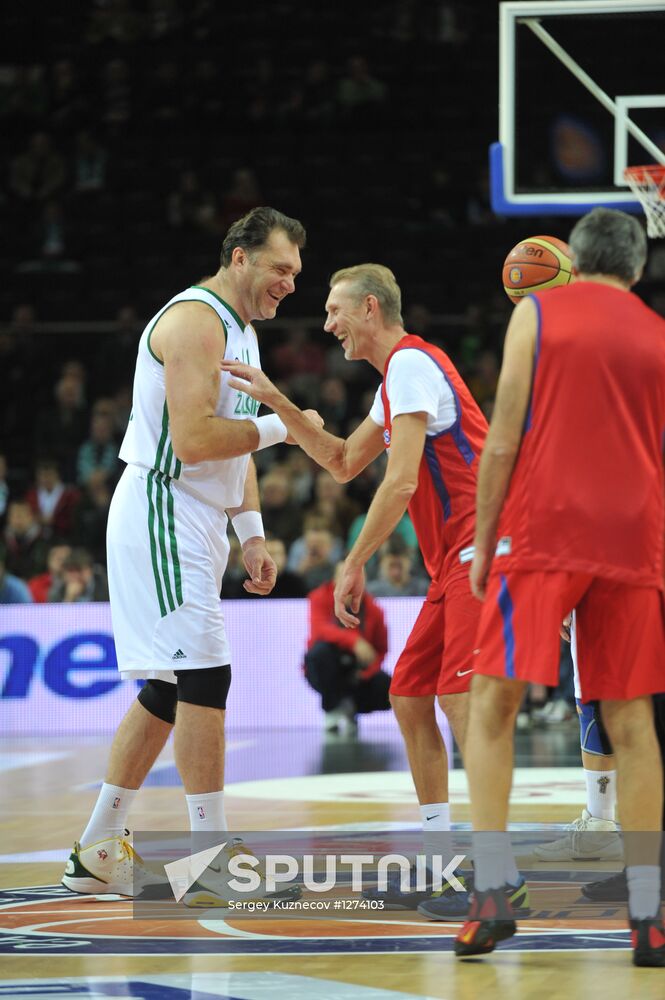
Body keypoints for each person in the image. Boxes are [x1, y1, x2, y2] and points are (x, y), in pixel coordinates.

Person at [222, 263, 508, 917]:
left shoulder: (410, 364)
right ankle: (440, 859)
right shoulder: (395, 381)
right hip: (449, 565)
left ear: (371, 309)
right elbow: (343, 461)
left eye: (334, 311)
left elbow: (400, 481)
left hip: (480, 549)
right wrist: (276, 399)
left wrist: (352, 560)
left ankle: (498, 866)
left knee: (459, 701)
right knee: (409, 697)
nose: (327, 326)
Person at [61, 206, 318, 906]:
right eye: (279, 268)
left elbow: (231, 446)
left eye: (295, 272)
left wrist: (253, 532)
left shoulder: (240, 333)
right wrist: (285, 424)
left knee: (171, 688)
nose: (289, 284)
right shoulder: (195, 321)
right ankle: (210, 857)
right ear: (239, 256)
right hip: (162, 507)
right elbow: (199, 439)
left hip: (198, 516)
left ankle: (96, 850)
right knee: (206, 675)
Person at [458, 208, 665, 967]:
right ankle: (647, 914)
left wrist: (483, 543)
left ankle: (489, 891)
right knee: (631, 718)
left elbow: (504, 432)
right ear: (637, 268)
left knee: (492, 701)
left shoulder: (538, 310)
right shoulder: (656, 332)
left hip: (544, 528)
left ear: (572, 259)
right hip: (633, 534)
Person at [304, 561, 391, 735]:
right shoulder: (319, 597)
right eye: (345, 576)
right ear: (335, 579)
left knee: (388, 688)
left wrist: (368, 671)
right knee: (320, 654)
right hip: (328, 665)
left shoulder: (374, 609)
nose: (350, 582)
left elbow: (381, 649)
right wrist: (355, 641)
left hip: (357, 671)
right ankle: (333, 708)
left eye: (356, 577)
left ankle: (351, 707)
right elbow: (320, 630)